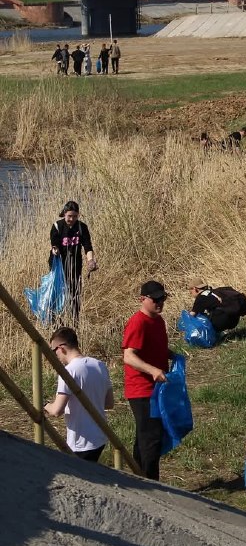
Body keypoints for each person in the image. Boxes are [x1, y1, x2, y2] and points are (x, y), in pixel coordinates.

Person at [123, 280, 172, 480]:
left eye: (163, 298)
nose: (160, 303)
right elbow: (129, 356)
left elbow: (153, 348)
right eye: (155, 299)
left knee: (145, 437)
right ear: (142, 299)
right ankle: (152, 484)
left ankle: (138, 478)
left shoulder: (158, 321)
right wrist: (153, 370)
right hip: (141, 390)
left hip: (156, 388)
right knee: (151, 438)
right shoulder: (138, 322)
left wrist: (173, 355)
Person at [44, 326, 114, 462]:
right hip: (99, 438)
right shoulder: (99, 365)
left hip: (80, 442)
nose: (55, 356)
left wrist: (45, 406)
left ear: (61, 348)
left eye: (54, 351)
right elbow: (109, 403)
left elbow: (57, 410)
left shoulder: (69, 371)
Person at [50, 200, 97, 325]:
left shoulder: (82, 227)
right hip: (59, 265)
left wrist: (91, 261)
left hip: (75, 265)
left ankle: (75, 321)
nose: (71, 219)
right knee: (58, 293)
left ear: (78, 215)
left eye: (75, 216)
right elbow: (54, 245)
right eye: (69, 216)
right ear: (65, 213)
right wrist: (55, 251)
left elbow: (87, 246)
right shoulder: (57, 226)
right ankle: (56, 321)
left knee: (75, 293)